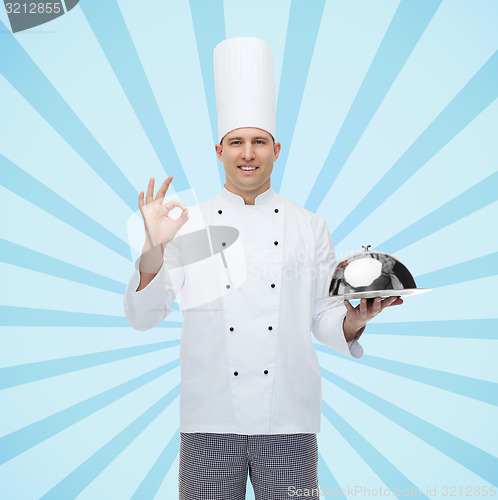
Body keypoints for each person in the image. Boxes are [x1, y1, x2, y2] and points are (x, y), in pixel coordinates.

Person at [124, 38, 402, 500]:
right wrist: (153, 248)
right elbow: (142, 316)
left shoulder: (309, 226)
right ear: (219, 150)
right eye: (236, 142)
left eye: (258, 142)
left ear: (276, 148)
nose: (247, 153)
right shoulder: (187, 224)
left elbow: (321, 315)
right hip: (208, 422)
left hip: (289, 420)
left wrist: (354, 320)